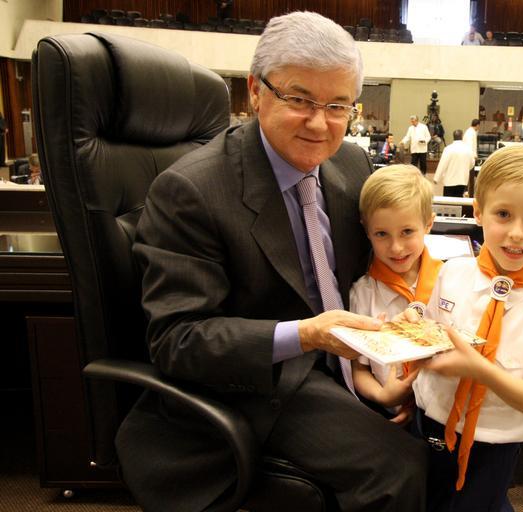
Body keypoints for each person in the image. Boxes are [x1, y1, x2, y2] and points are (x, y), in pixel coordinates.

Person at [116, 12, 428, 512]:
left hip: (348, 363)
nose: (320, 123)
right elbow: (178, 339)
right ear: (255, 92)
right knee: (402, 466)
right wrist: (306, 335)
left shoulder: (350, 163)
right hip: (260, 383)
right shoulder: (191, 190)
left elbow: (378, 262)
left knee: (443, 425)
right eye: (299, 99)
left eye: (337, 105)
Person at [411, 144, 523, 512]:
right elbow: (430, 338)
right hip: (430, 420)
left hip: (493, 442)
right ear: (478, 211)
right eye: (503, 214)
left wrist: (481, 370)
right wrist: (410, 328)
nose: (517, 233)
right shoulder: (452, 272)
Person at [351, 165, 441, 420]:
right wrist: (384, 397)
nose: (396, 247)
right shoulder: (362, 294)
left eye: (407, 232)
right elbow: (358, 368)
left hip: (443, 416)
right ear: (366, 230)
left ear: (428, 223)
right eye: (382, 234)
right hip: (387, 417)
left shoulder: (449, 283)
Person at [434, 129, 476, 198]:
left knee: (448, 201)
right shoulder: (468, 149)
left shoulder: (448, 149)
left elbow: (442, 164)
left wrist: (437, 178)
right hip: (462, 180)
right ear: (462, 137)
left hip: (449, 181)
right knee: (459, 199)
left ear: (453, 137)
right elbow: (472, 163)